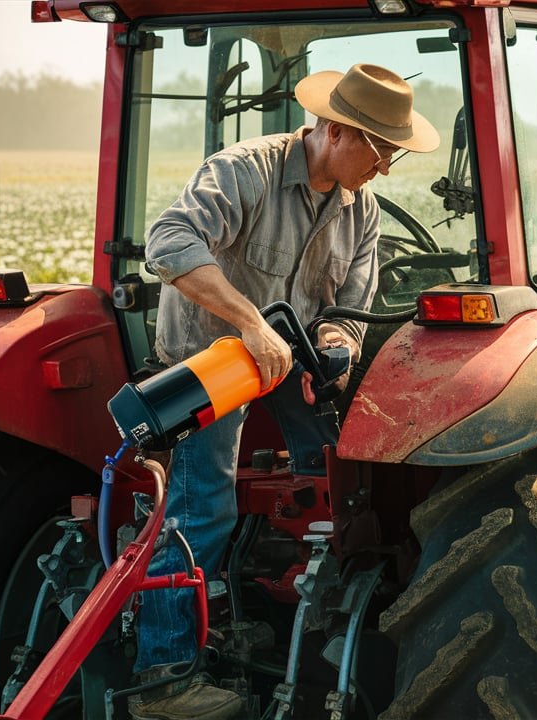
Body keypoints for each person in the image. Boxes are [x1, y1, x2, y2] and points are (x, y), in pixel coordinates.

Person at [130, 63, 439, 720]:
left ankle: (318, 626)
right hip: (213, 361)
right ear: (333, 130)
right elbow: (167, 242)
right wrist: (250, 325)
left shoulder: (362, 211)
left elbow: (351, 308)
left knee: (344, 487)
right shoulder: (244, 171)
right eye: (380, 150)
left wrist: (338, 348)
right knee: (200, 508)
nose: (385, 167)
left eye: (395, 154)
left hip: (287, 368)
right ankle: (165, 674)